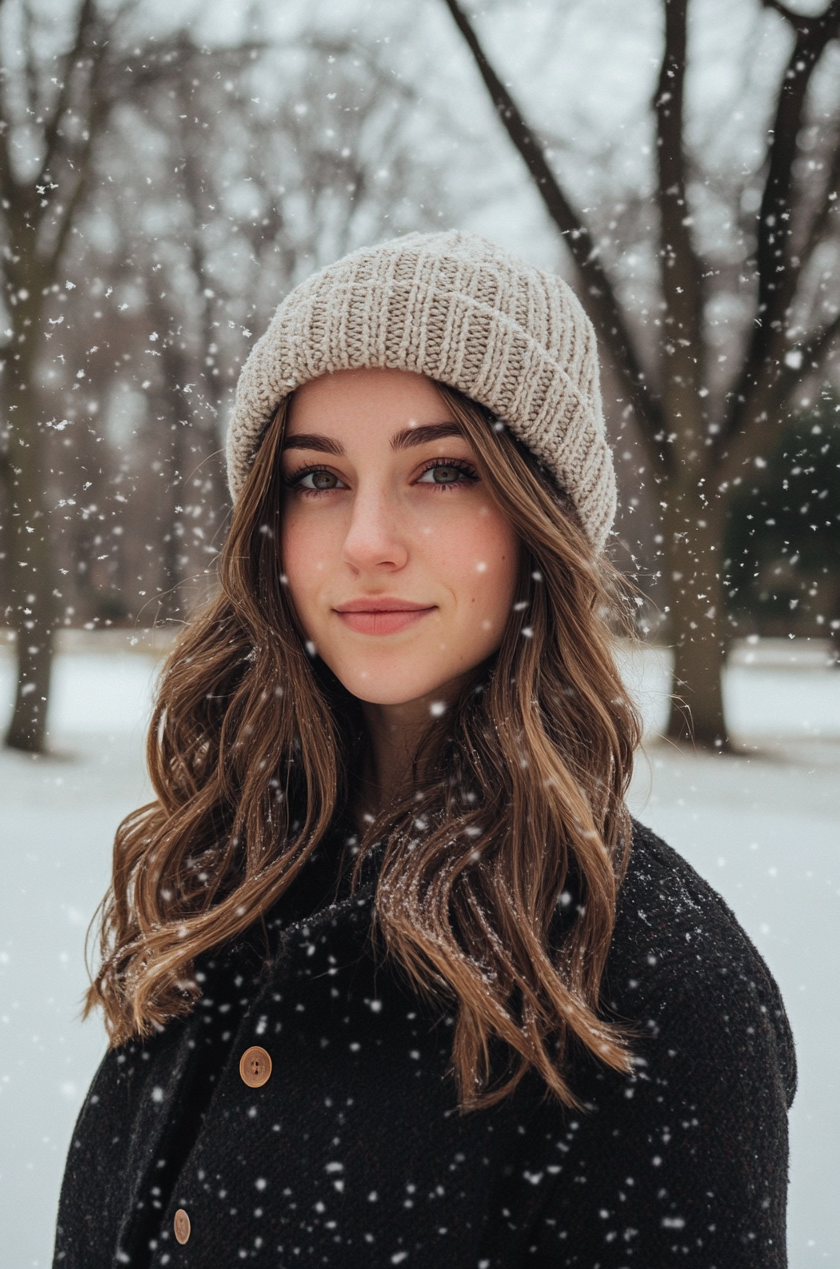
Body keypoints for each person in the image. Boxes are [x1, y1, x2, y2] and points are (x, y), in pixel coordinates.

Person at [53, 232, 795, 1268]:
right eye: (316, 479)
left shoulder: (653, 988)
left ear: (541, 518)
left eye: (440, 470)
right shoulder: (227, 877)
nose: (365, 540)